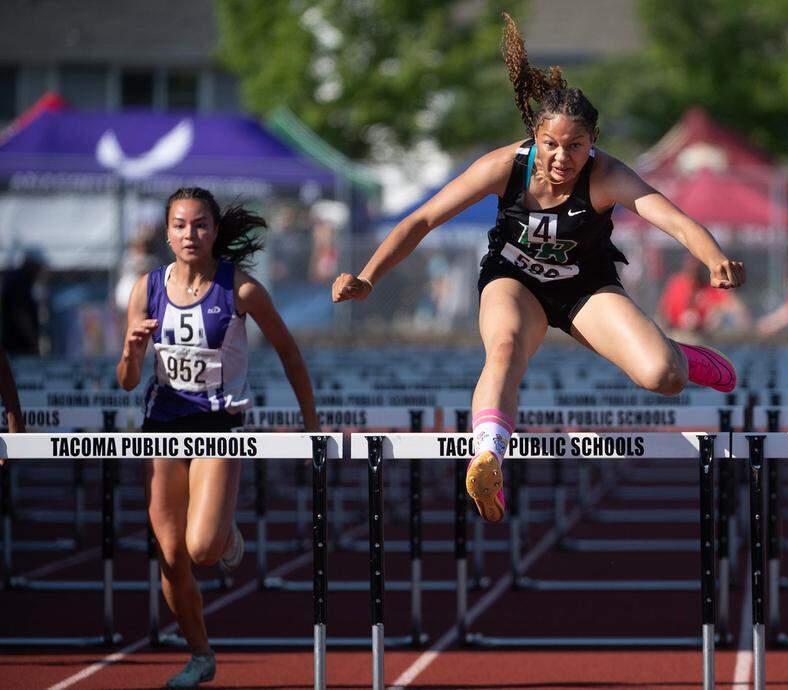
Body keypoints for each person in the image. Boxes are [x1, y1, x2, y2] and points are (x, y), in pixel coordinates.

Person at [333, 13, 744, 523]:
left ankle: (682, 355)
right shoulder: (504, 165)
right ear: (535, 136)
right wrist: (370, 274)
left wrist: (714, 257)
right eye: (551, 144)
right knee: (503, 347)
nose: (561, 158)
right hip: (514, 282)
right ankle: (487, 456)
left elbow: (675, 220)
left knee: (663, 376)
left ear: (592, 141)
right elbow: (422, 218)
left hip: (584, 288)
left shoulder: (607, 175)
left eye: (575, 146)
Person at [117, 187, 318, 688]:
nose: (191, 234)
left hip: (217, 426)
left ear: (214, 231)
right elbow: (126, 379)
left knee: (203, 549)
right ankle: (200, 655)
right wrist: (131, 350)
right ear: (166, 233)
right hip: (161, 426)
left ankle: (226, 536)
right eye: (181, 225)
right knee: (170, 556)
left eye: (200, 224)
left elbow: (290, 353)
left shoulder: (241, 290)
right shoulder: (146, 289)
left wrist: (311, 423)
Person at [658, 257, 749, 335]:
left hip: (705, 338)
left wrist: (715, 314)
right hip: (679, 336)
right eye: (691, 271)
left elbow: (734, 307)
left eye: (697, 271)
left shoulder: (710, 286)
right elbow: (663, 314)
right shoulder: (677, 284)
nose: (694, 276)